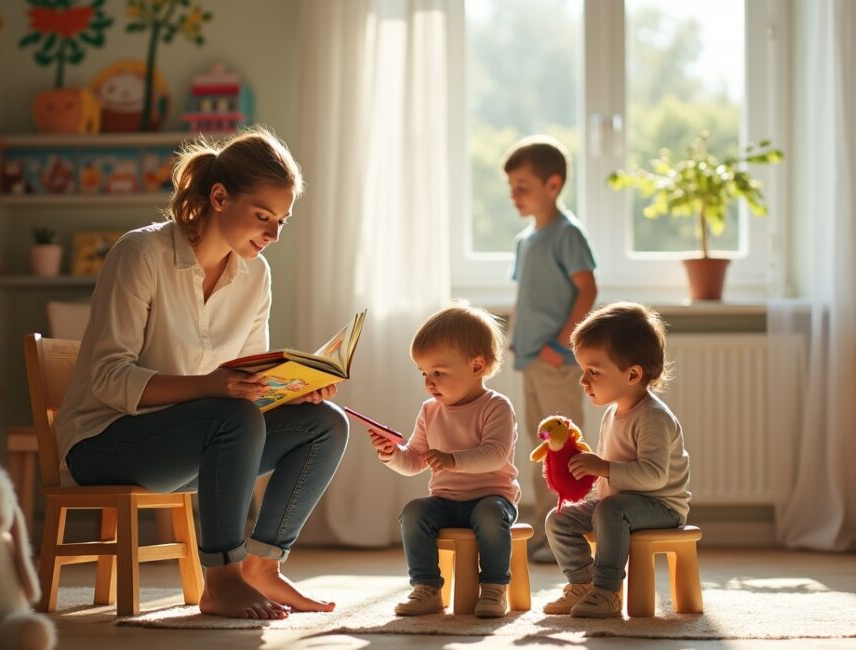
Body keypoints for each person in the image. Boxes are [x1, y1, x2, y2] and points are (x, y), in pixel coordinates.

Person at [53, 129, 349, 620]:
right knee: (231, 417)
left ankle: (262, 566)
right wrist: (210, 388)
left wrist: (289, 391)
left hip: (202, 444)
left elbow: (248, 383)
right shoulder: (141, 254)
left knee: (326, 424)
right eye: (263, 216)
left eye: (281, 221)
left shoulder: (256, 275)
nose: (273, 235)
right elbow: (108, 377)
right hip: (103, 443)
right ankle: (222, 580)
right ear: (219, 197)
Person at [367, 303, 520, 618]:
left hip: (493, 498)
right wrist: (392, 454)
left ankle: (494, 587)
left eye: (438, 372)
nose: (429, 382)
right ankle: (426, 588)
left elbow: (495, 455)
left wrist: (452, 460)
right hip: (446, 501)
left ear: (476, 367)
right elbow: (415, 460)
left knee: (490, 514)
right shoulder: (429, 411)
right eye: (424, 373)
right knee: (414, 512)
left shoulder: (496, 407)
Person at [542, 302, 690, 618]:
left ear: (633, 374)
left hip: (660, 506)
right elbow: (608, 471)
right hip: (616, 504)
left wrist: (602, 467)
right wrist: (579, 467)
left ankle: (607, 591)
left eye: (593, 372)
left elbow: (654, 476)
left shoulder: (652, 417)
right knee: (559, 519)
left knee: (610, 510)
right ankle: (583, 583)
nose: (583, 381)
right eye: (583, 370)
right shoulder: (613, 413)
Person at [504, 135, 598, 562]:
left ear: (553, 184)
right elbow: (525, 295)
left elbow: (587, 289)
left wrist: (560, 345)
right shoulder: (526, 240)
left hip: (555, 360)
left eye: (523, 186)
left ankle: (572, 531)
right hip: (530, 359)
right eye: (512, 187)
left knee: (567, 449)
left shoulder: (567, 234)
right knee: (540, 446)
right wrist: (515, 338)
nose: (515, 195)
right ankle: (549, 530)